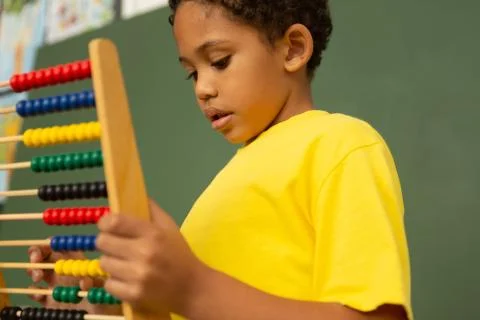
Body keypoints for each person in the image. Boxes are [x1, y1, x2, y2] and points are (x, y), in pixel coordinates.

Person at [28, 1, 413, 319]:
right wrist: (91, 300)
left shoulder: (339, 145)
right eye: (191, 74)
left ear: (293, 48)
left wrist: (193, 288)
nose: (203, 89)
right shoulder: (227, 184)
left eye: (220, 61)